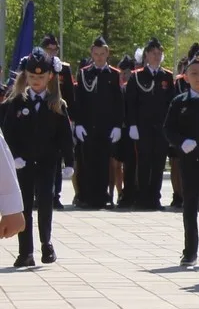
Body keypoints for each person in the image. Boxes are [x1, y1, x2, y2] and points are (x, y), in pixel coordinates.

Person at [2, 51, 75, 266]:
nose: (36, 81)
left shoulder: (56, 104)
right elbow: (8, 133)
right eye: (32, 78)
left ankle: (46, 243)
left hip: (46, 163)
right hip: (23, 164)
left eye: (40, 78)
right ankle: (25, 252)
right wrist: (14, 157)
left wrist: (69, 162)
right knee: (23, 206)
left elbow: (65, 136)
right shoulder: (16, 102)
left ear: (49, 77)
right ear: (26, 76)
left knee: (45, 203)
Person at [163, 51, 199, 267]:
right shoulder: (179, 102)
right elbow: (168, 129)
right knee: (189, 205)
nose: (198, 77)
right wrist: (181, 142)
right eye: (194, 73)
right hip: (188, 160)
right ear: (185, 77)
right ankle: (190, 252)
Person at [70, 36, 123, 209]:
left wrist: (117, 125)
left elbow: (118, 102)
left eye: (102, 53)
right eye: (96, 53)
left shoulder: (114, 74)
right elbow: (79, 101)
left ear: (107, 53)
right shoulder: (85, 73)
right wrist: (78, 123)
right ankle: (86, 196)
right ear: (92, 53)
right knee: (87, 162)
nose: (99, 57)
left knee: (104, 163)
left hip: (107, 126)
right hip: (88, 125)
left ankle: (103, 196)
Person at [125, 38, 176, 210]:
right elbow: (130, 103)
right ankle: (142, 197)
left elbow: (172, 103)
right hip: (143, 127)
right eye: (153, 53)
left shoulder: (167, 77)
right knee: (144, 161)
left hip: (161, 127)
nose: (156, 56)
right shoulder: (138, 76)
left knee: (159, 162)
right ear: (146, 54)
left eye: (159, 53)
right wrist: (132, 124)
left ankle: (155, 197)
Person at [39, 34, 74, 210]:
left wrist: (71, 119)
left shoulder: (63, 68)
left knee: (56, 158)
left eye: (55, 49)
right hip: (39, 115)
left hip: (58, 113)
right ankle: (39, 195)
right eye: (49, 49)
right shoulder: (35, 64)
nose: (52, 52)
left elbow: (70, 94)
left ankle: (56, 195)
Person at [114, 55, 136, 207]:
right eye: (121, 71)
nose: (124, 74)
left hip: (130, 130)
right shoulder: (116, 87)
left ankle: (129, 192)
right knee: (116, 164)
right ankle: (119, 192)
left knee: (130, 164)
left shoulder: (134, 87)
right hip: (118, 130)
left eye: (127, 71)